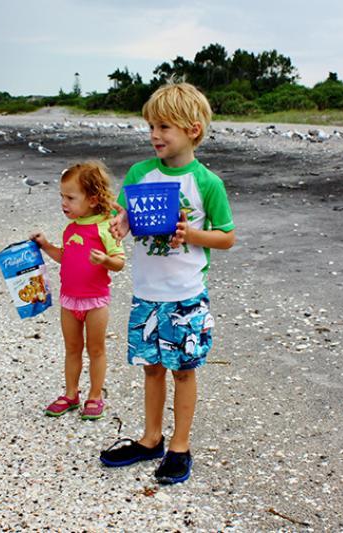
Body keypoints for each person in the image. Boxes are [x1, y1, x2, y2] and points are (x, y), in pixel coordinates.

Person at [99, 82, 235, 484]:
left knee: (184, 371)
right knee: (152, 369)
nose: (155, 135)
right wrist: (121, 221)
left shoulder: (207, 183)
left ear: (193, 129)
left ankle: (179, 446)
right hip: (146, 293)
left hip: (185, 296)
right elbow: (126, 212)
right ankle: (150, 439)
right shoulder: (141, 173)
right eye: (151, 127)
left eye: (164, 127)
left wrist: (190, 235)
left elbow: (226, 236)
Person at [31, 161, 125, 421]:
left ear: (93, 199)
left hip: (95, 301)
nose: (64, 203)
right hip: (69, 300)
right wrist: (45, 245)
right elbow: (66, 257)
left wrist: (105, 261)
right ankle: (71, 394)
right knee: (72, 349)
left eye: (70, 198)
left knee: (96, 350)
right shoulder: (71, 228)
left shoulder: (106, 227)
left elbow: (119, 262)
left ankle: (95, 396)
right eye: (62, 196)